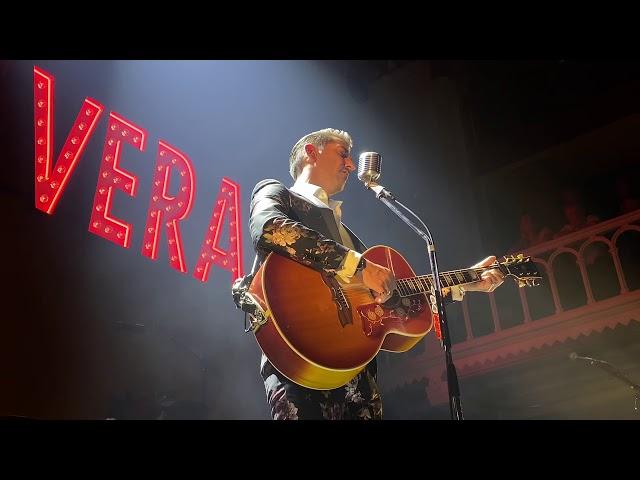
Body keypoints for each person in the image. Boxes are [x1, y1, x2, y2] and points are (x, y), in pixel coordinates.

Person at [248, 128, 505, 420]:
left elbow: (399, 304)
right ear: (311, 152)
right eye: (342, 154)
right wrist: (360, 266)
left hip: (359, 375)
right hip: (300, 359)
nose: (351, 165)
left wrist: (467, 282)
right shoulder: (278, 193)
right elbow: (268, 228)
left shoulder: (352, 241)